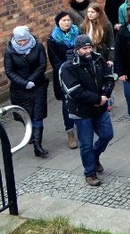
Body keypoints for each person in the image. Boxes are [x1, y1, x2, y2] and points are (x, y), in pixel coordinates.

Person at [58, 34, 115, 187]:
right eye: (84, 48)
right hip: (81, 111)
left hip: (100, 108)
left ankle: (94, 157)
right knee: (86, 144)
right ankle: (90, 173)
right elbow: (75, 91)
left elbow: (109, 77)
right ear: (77, 50)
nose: (88, 50)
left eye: (89, 47)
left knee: (107, 135)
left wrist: (104, 95)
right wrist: (97, 99)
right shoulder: (68, 67)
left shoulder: (98, 59)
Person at [4, 26, 49, 157]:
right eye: (20, 41)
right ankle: (30, 133)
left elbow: (42, 65)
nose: (23, 43)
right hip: (20, 89)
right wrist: (24, 83)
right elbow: (10, 71)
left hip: (38, 85)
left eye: (25, 40)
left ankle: (37, 145)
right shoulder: (10, 51)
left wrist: (32, 80)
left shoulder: (38, 46)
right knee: (25, 114)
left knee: (38, 113)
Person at [47, 11, 80, 149]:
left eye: (68, 20)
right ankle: (70, 131)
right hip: (63, 74)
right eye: (63, 20)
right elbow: (54, 60)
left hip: (78, 71)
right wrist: (66, 71)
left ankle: (83, 125)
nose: (67, 23)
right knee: (67, 102)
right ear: (58, 22)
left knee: (80, 98)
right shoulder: (53, 39)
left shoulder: (77, 33)